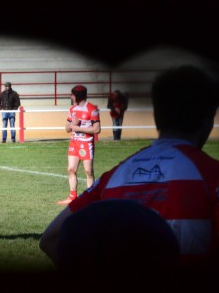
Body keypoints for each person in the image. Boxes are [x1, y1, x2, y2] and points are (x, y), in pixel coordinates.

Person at [40, 64, 219, 267]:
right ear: (208, 120)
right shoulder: (212, 176)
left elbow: (49, 239)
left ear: (157, 116)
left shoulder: (112, 178)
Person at [56, 84, 101, 205]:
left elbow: (97, 129)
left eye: (72, 95)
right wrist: (71, 125)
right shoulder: (72, 109)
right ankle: (72, 197)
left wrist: (78, 128)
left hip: (86, 144)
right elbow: (67, 129)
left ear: (78, 96)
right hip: (74, 143)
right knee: (71, 169)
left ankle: (91, 197)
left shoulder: (92, 109)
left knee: (88, 171)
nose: (71, 97)